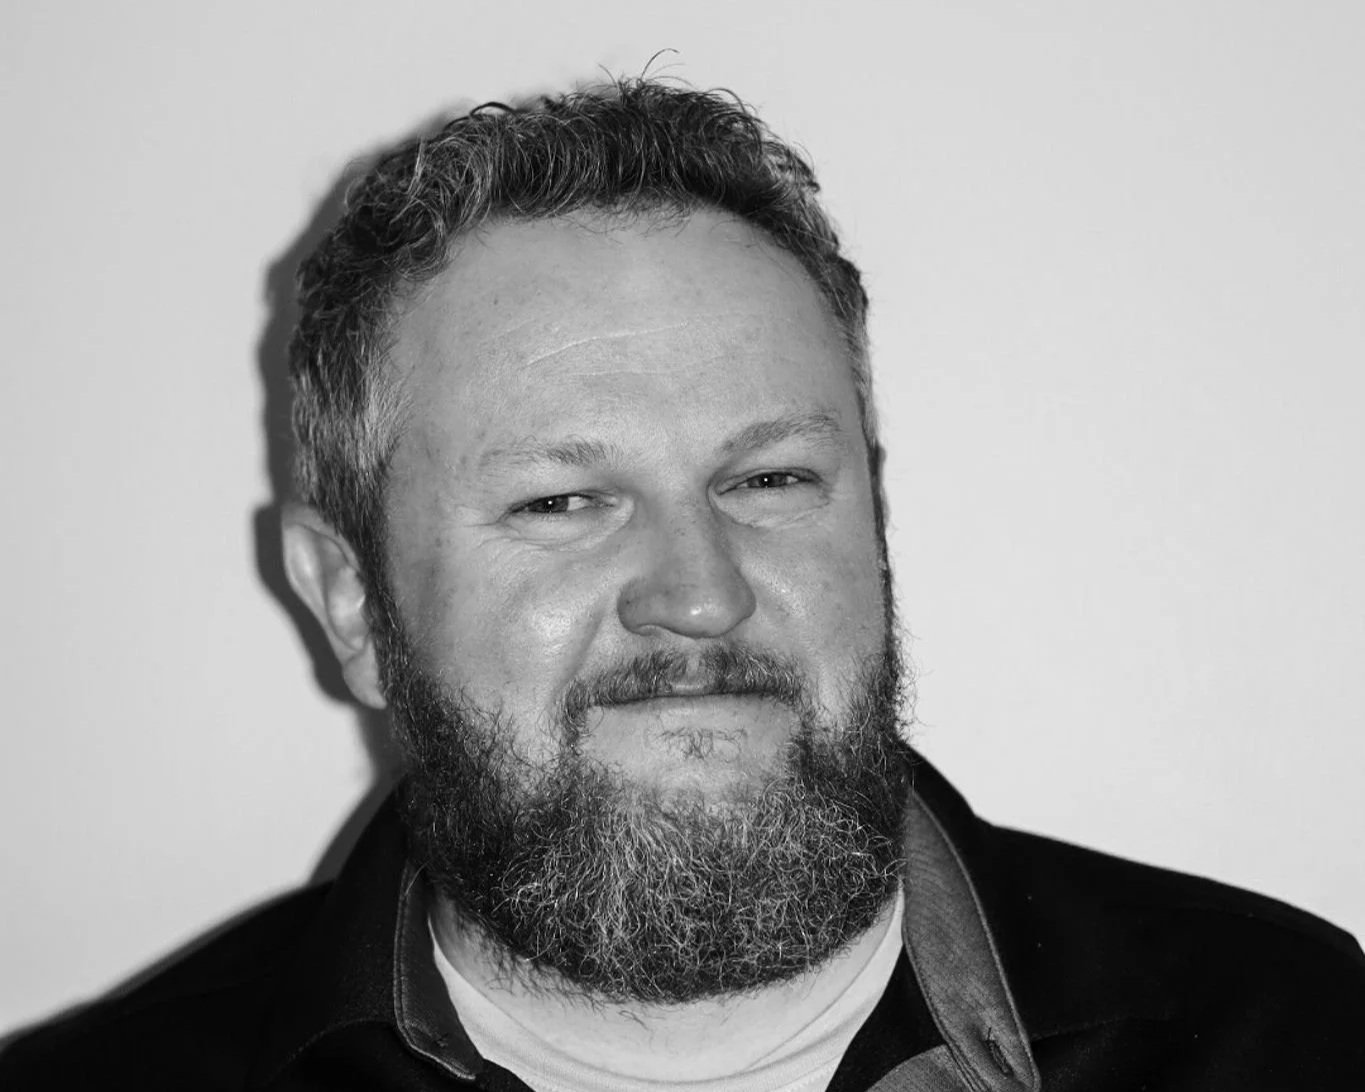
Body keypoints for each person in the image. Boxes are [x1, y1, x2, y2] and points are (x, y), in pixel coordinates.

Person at [2, 76, 1362, 1092]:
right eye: (561, 500)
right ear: (350, 603)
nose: (698, 597)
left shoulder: (1292, 1037)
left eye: (768, 480)